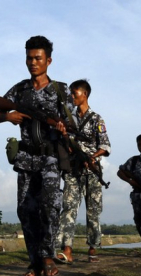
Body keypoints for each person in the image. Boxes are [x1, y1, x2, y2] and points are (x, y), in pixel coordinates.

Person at [0, 36, 72, 276]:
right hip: (26, 157)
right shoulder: (19, 90)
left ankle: (47, 256)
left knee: (49, 206)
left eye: (38, 58)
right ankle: (35, 262)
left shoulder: (61, 90)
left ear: (49, 60)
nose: (33, 62)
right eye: (29, 58)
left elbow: (71, 122)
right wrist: (8, 117)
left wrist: (63, 128)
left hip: (50, 159)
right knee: (25, 210)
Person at [56, 79, 111, 264]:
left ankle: (93, 247)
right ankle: (67, 250)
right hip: (73, 169)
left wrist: (92, 158)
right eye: (71, 93)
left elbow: (105, 145)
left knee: (93, 211)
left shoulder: (97, 119)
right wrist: (63, 135)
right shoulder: (68, 119)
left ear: (84, 94)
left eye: (75, 93)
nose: (72, 96)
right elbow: (62, 141)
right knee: (68, 208)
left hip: (92, 171)